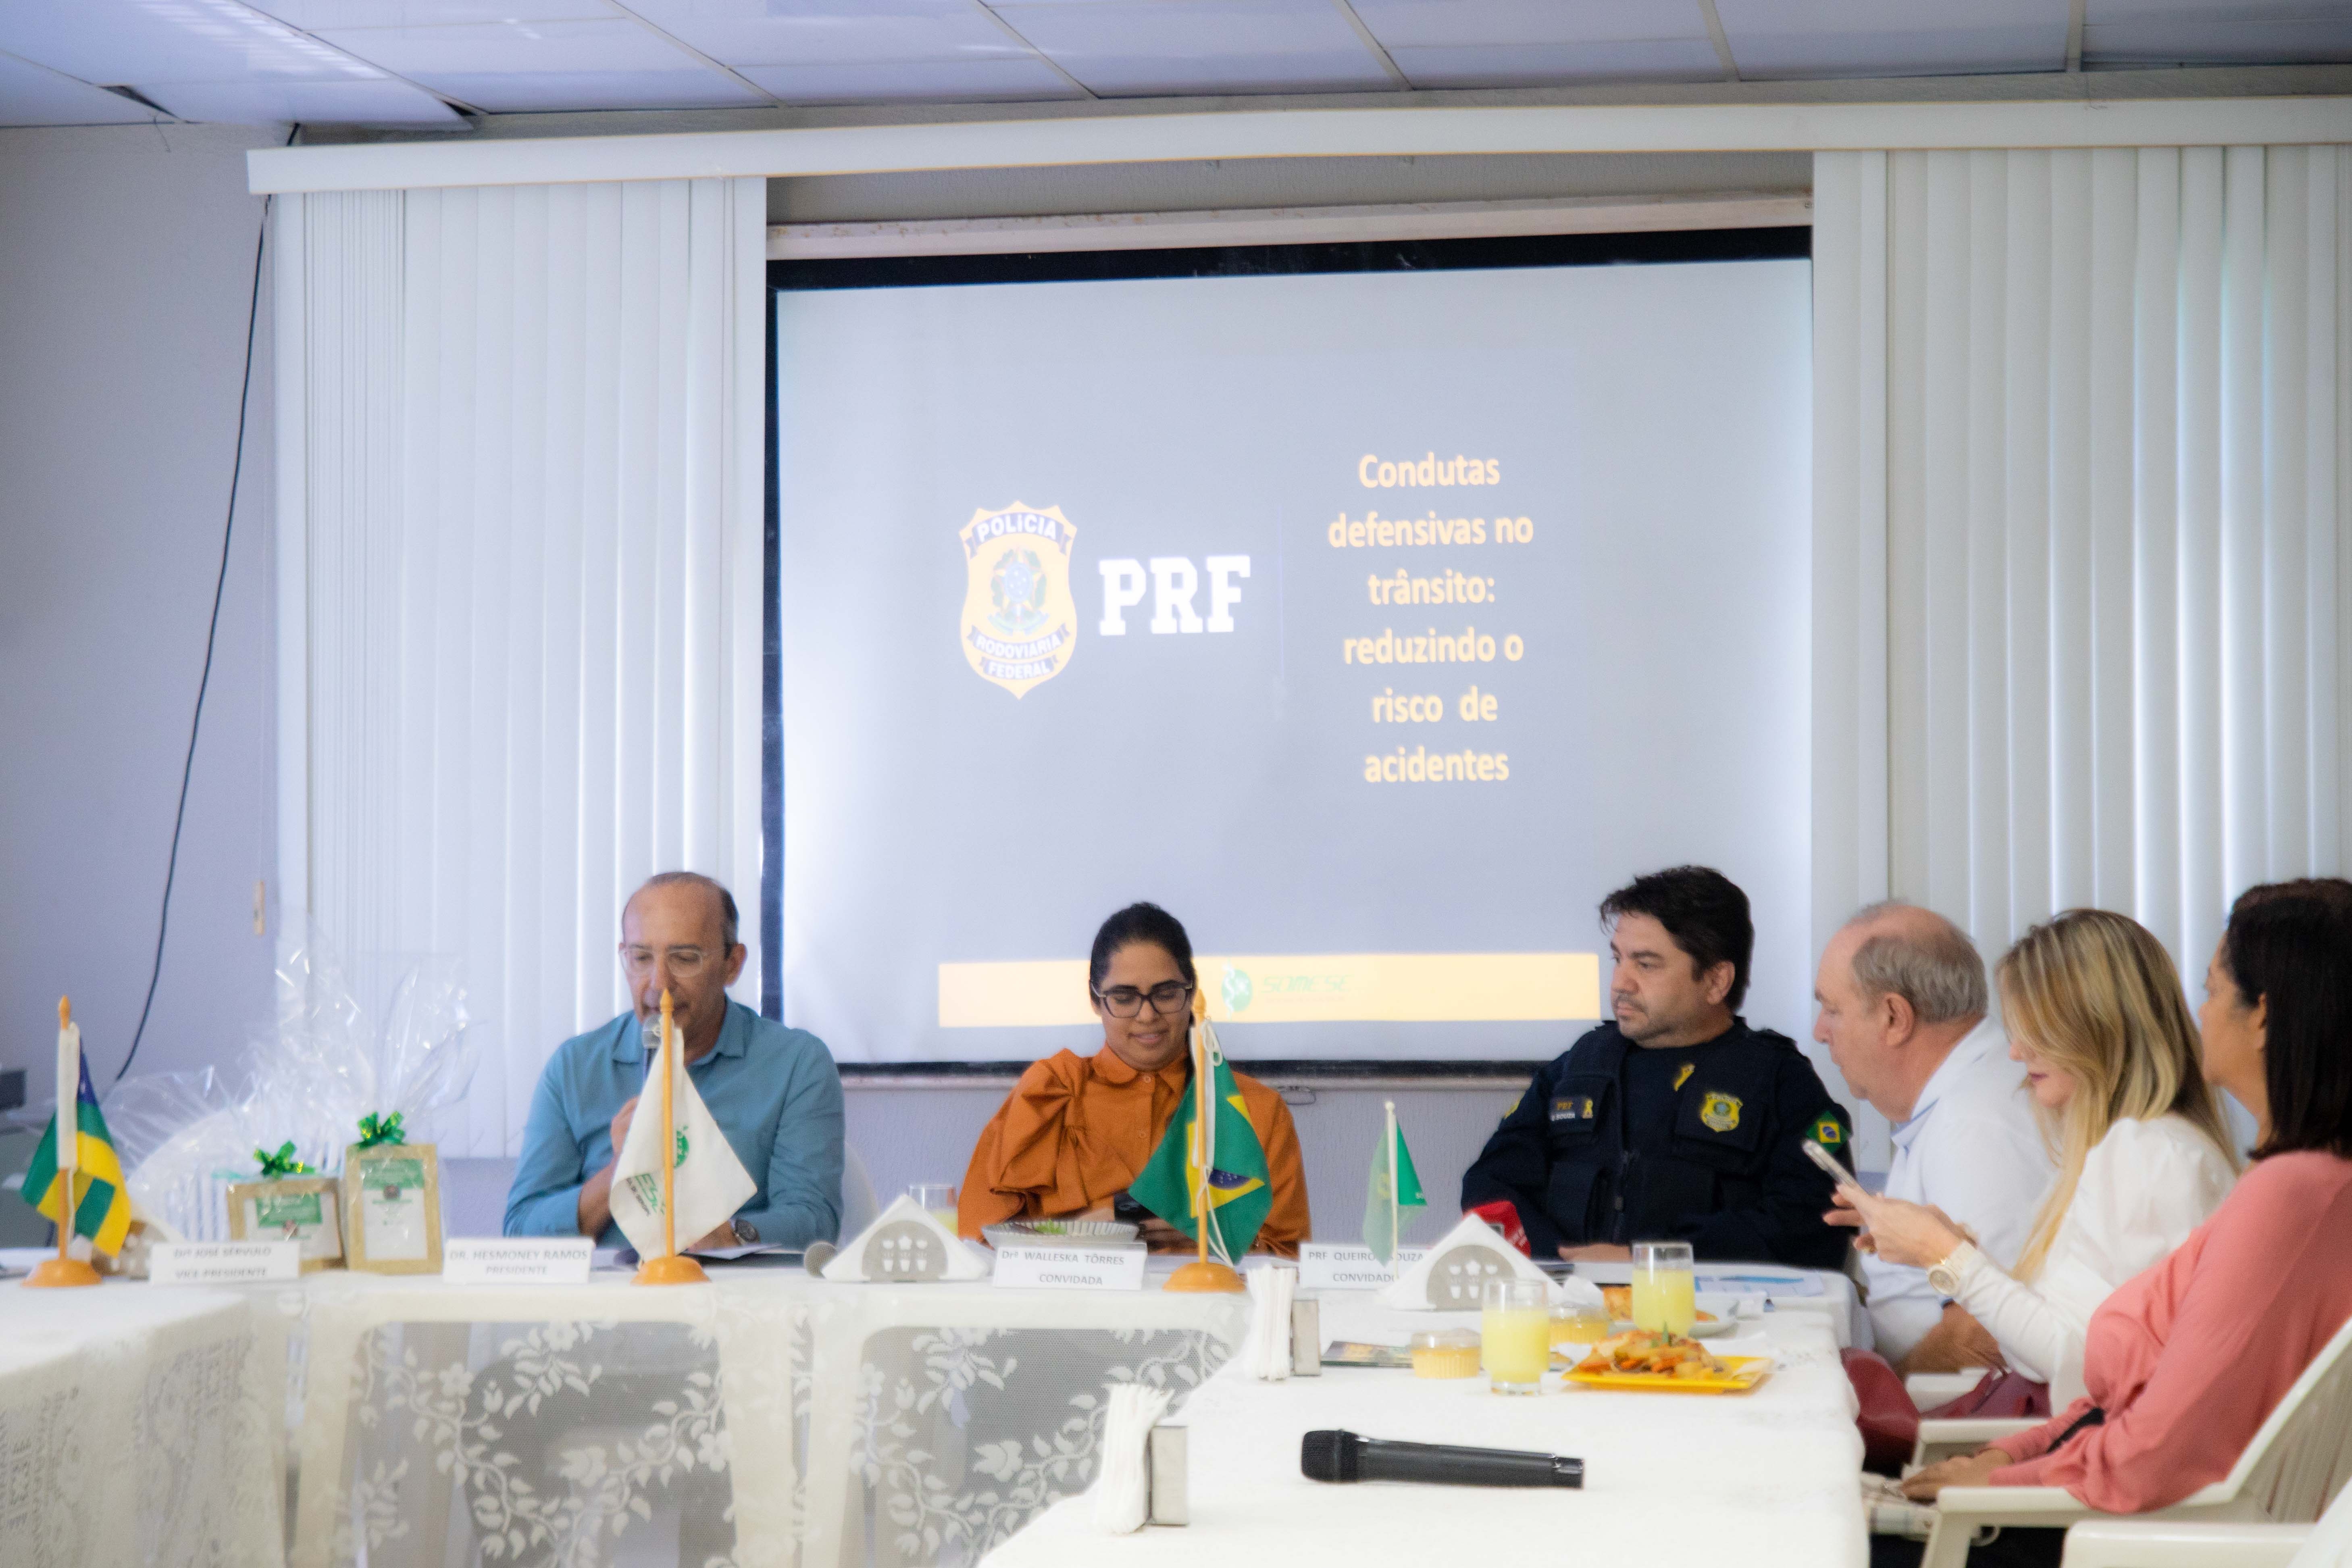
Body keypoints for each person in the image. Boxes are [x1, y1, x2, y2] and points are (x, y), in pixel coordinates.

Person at [1886, 886, 2352, 1568]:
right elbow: (2132, 1398)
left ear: (2261, 1015)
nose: (2197, 1012)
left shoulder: (2281, 1196)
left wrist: (2001, 1479)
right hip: (2124, 1507)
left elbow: (2156, 1442)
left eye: (2210, 989)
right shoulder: (2303, 1184)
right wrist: (2009, 1454)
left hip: (2128, 1534)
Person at [1834, 909, 2239, 1407]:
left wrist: (1945, 1254)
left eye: (2036, 1030)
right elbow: (2058, 1331)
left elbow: (2077, 1362)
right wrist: (1956, 1251)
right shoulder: (2134, 1147)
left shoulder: (2146, 1155)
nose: (2015, 1052)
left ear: (2096, 1028)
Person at [1461, 865, 1854, 1267]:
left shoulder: (1781, 1081)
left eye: (1645, 964)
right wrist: (1562, 1264)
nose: (1621, 983)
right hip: (1568, 1295)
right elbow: (1489, 1183)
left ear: (1716, 981)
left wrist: (1649, 1261)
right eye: (1618, 959)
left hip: (1709, 1302)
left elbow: (1815, 1221)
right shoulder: (1579, 1067)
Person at [505, 872, 845, 1249]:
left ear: (732, 965)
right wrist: (621, 1173)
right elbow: (521, 1232)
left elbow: (814, 1222)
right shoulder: (574, 1068)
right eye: (641, 958)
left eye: (684, 959)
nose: (659, 984)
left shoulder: (797, 1064)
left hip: (734, 1286)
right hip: (611, 1286)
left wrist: (730, 1236)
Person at [957, 902, 1311, 1257]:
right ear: (1095, 1000)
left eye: (1166, 994)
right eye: (1124, 998)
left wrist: (1210, 1240)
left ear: (1191, 993)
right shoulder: (1049, 1094)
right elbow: (980, 1247)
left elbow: (1289, 1259)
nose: (1147, 1015)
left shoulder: (1254, 1109)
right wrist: (1104, 1225)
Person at [1813, 903, 2057, 1370]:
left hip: (1951, 1409)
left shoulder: (1973, 1126)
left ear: (1893, 1017)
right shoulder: (1962, 1096)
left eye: (1831, 1009)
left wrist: (1880, 1400)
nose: (1819, 1032)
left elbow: (1981, 1338)